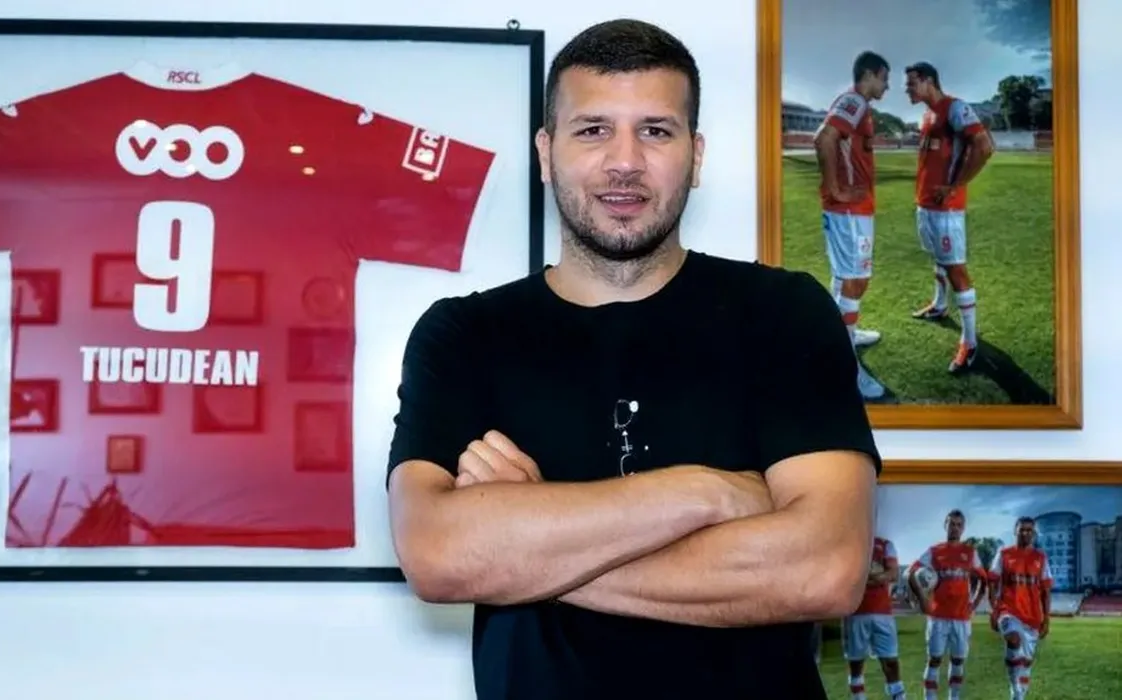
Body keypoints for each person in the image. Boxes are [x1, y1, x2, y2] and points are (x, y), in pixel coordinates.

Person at [385, 18, 881, 700]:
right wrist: (705, 493)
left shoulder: (783, 314)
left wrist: (526, 538)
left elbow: (824, 568)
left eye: (656, 130)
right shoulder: (464, 334)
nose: (625, 161)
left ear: (695, 156)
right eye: (593, 130)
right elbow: (438, 556)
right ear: (546, 152)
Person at [903, 62, 995, 374]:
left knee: (956, 269)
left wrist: (955, 185)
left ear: (928, 81)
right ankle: (940, 305)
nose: (907, 89)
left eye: (911, 83)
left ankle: (969, 342)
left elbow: (984, 147)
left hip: (946, 208)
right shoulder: (927, 115)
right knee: (939, 259)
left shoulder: (955, 108)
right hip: (926, 204)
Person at [812, 50, 891, 400]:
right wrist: (836, 189)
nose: (886, 86)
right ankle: (847, 368)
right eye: (884, 78)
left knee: (845, 277)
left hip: (852, 210)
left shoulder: (858, 106)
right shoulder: (854, 101)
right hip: (849, 211)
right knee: (857, 280)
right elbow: (824, 137)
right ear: (870, 75)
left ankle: (842, 337)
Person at [907, 510, 988, 700]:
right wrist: (922, 598)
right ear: (945, 525)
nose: (955, 528)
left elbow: (983, 580)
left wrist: (974, 604)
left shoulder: (970, 553)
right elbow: (911, 572)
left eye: (959, 525)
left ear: (963, 528)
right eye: (952, 524)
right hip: (938, 616)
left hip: (961, 618)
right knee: (934, 660)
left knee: (958, 662)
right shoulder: (935, 551)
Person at [989, 517, 1053, 700]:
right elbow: (992, 582)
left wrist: (1046, 619)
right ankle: (1015, 688)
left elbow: (1046, 590)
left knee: (1025, 663)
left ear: (1033, 534)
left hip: (1033, 617)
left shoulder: (1040, 558)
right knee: (1014, 639)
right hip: (1008, 611)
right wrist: (995, 610)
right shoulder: (1004, 554)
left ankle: (1017, 695)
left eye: (1029, 530)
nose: (1025, 533)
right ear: (1015, 531)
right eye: (1021, 530)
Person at [842, 535, 906, 699]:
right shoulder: (849, 543)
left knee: (891, 662)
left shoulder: (885, 545)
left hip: (882, 613)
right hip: (855, 612)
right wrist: (876, 577)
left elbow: (893, 574)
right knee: (856, 663)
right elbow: (845, 577)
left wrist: (864, 579)